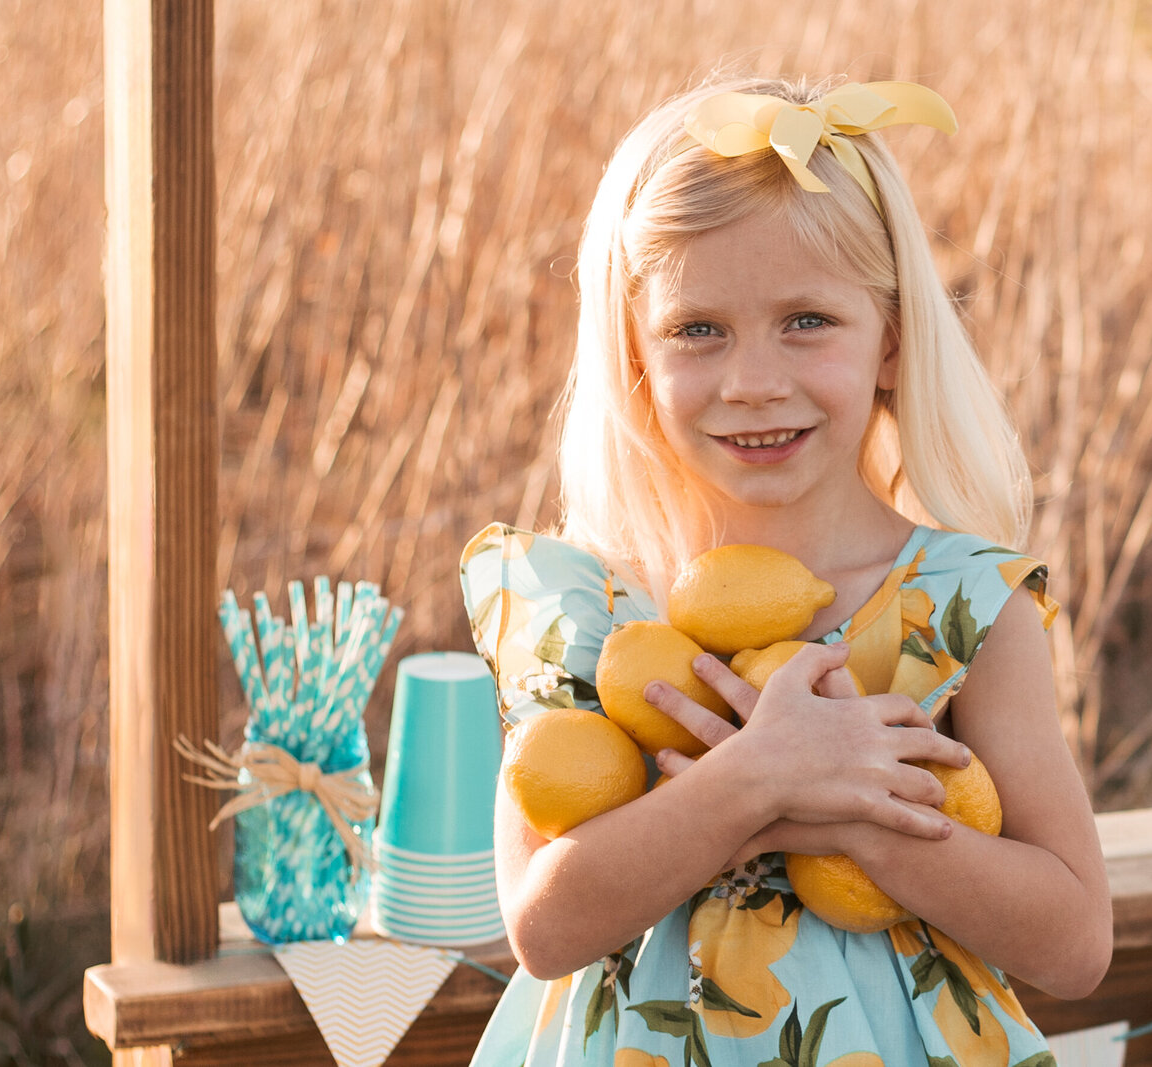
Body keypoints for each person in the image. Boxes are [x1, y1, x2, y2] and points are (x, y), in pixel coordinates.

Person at [459, 73, 1112, 1066]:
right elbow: (544, 928)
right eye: (697, 329)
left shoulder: (959, 606)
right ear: (634, 353)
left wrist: (854, 820)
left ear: (890, 339)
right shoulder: (587, 611)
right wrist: (753, 779)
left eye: (806, 320)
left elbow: (1074, 941)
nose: (754, 381)